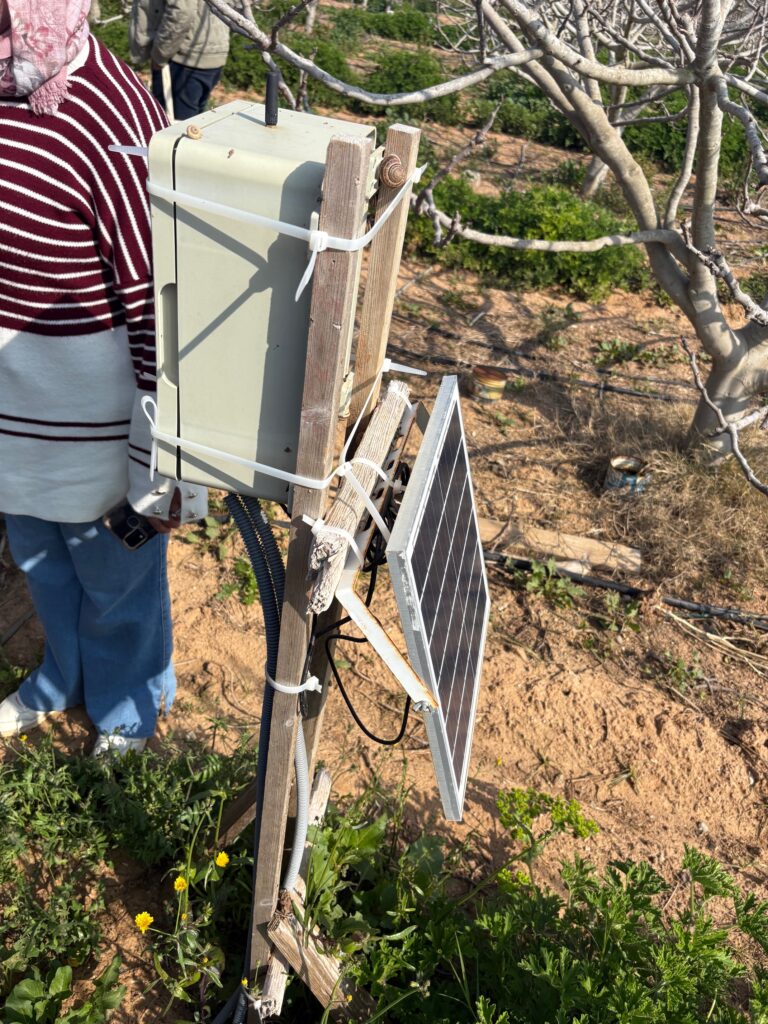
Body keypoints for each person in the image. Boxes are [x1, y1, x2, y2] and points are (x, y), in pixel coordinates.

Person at [0, 0, 206, 755]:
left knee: (115, 575)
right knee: (39, 558)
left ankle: (129, 704)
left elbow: (158, 292)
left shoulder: (113, 115)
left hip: (95, 418)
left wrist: (161, 450)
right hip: (12, 404)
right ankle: (62, 677)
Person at [129, 0, 230, 121]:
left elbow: (181, 13)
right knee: (194, 124)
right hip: (211, 52)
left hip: (182, 58)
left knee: (174, 128)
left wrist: (160, 54)